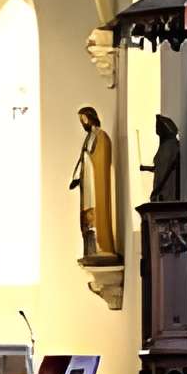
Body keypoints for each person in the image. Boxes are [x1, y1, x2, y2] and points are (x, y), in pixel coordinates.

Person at [71, 105, 121, 262]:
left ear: (90, 119)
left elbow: (99, 157)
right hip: (87, 182)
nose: (82, 124)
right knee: (87, 216)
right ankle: (90, 251)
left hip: (94, 182)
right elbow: (82, 158)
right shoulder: (89, 137)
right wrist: (76, 177)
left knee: (95, 212)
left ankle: (101, 247)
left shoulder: (100, 136)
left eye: (83, 120)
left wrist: (89, 167)